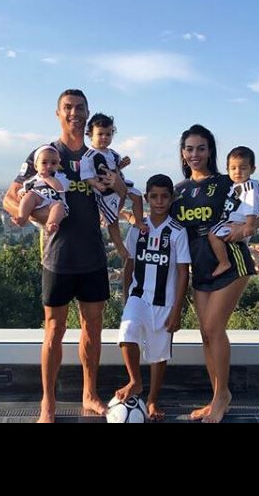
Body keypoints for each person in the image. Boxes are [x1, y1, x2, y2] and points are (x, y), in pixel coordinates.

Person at [3, 89, 128, 424]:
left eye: (80, 108)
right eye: (68, 108)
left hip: (93, 255)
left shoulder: (98, 154)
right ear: (58, 113)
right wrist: (38, 217)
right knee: (54, 329)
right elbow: (10, 198)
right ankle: (48, 403)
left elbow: (120, 195)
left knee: (93, 328)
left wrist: (117, 185)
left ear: (88, 114)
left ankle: (90, 395)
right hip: (57, 258)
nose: (75, 113)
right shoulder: (45, 154)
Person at [171, 125, 259, 424]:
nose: (195, 154)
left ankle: (222, 396)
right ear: (183, 153)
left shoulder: (228, 181)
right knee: (206, 334)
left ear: (210, 150)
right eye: (189, 148)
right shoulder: (179, 191)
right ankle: (216, 398)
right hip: (200, 265)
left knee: (213, 328)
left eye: (201, 148)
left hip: (231, 261)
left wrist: (242, 231)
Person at [115, 174, 191, 421]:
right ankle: (135, 381)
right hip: (138, 296)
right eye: (154, 196)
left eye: (164, 196)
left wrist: (177, 309)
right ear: (146, 198)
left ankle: (152, 399)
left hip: (164, 301)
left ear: (171, 198)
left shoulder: (177, 232)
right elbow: (129, 262)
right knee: (127, 332)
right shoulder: (139, 229)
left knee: (159, 354)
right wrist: (127, 296)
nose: (159, 201)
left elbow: (183, 272)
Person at [80, 113, 147, 260]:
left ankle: (139, 221)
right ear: (90, 134)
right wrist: (96, 184)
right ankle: (120, 248)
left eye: (108, 134)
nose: (104, 137)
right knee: (113, 220)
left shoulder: (112, 153)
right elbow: (85, 176)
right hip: (105, 192)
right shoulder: (88, 156)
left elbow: (116, 168)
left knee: (137, 196)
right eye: (100, 134)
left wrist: (123, 164)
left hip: (120, 184)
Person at [208, 146, 259, 277]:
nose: (238, 172)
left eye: (243, 168)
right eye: (233, 168)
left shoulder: (249, 186)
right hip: (234, 222)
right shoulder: (235, 186)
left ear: (252, 169)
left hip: (237, 222)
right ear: (227, 170)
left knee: (212, 234)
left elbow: (252, 206)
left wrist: (249, 225)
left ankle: (224, 262)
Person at [13, 145, 69, 234]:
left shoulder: (61, 177)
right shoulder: (33, 180)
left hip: (54, 204)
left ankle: (50, 225)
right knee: (30, 195)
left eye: (54, 163)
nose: (49, 166)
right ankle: (22, 218)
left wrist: (47, 178)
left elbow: (60, 188)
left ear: (58, 165)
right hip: (39, 202)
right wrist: (22, 193)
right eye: (44, 163)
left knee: (59, 205)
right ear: (36, 166)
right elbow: (24, 189)